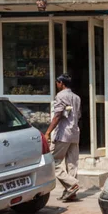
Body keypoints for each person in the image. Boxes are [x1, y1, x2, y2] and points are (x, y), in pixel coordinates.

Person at [45, 74, 81, 202]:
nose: (56, 85)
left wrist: (48, 132)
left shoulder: (60, 96)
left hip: (63, 134)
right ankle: (71, 192)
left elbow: (57, 116)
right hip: (74, 133)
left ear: (61, 83)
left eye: (57, 82)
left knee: (53, 161)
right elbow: (78, 115)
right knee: (72, 163)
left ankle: (72, 184)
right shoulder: (76, 98)